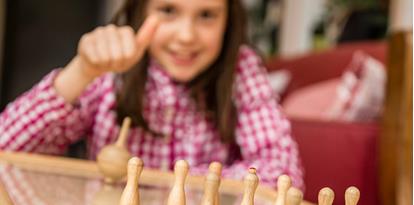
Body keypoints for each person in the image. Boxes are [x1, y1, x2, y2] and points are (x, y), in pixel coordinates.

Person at [0, 0, 304, 190]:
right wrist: (81, 71)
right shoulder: (109, 70)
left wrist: (159, 188)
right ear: (140, 9)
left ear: (228, 22)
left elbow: (283, 175)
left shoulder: (242, 70)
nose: (186, 36)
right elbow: (5, 147)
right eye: (168, 10)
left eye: (207, 15)